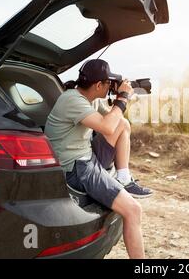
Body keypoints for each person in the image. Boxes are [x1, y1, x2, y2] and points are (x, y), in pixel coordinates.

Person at [44, 59, 152, 259]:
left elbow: (114, 118)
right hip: (77, 168)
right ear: (98, 85)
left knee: (124, 124)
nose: (110, 86)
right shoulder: (72, 100)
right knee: (133, 210)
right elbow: (107, 127)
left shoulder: (87, 97)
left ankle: (123, 177)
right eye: (108, 83)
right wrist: (122, 98)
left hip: (87, 156)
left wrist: (127, 94)